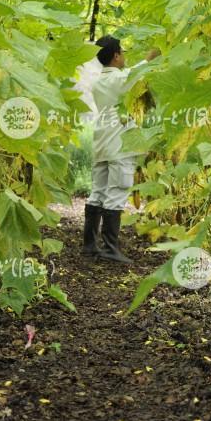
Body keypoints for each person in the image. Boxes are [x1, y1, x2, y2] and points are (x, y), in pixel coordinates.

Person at [82, 35, 161, 263]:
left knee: (98, 191)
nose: (125, 56)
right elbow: (143, 67)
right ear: (116, 55)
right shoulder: (120, 79)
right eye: (123, 52)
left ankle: (89, 245)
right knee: (117, 192)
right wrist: (159, 46)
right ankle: (109, 249)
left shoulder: (98, 82)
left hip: (102, 143)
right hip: (120, 145)